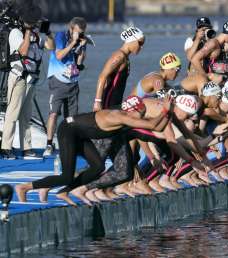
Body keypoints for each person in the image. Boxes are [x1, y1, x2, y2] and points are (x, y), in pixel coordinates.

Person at [15, 96, 170, 205]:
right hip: (68, 131)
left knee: (98, 167)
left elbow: (157, 126)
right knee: (66, 176)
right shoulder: (121, 117)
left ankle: (65, 191)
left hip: (80, 134)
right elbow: (152, 126)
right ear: (132, 110)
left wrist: (167, 113)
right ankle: (25, 187)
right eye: (140, 114)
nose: (141, 117)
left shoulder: (127, 115)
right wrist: (165, 111)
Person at [1, 4, 54, 159]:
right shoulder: (16, 33)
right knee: (12, 113)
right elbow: (23, 51)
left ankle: (27, 148)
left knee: (26, 116)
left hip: (31, 80)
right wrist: (28, 31)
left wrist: (48, 32)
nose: (36, 22)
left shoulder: (37, 35)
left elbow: (51, 47)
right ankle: (6, 148)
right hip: (18, 78)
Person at [43, 17, 89, 157]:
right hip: (57, 81)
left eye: (82, 32)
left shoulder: (82, 39)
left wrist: (81, 47)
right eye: (78, 32)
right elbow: (59, 55)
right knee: (54, 113)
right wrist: (73, 42)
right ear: (71, 28)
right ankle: (49, 144)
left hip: (73, 82)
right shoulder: (61, 36)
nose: (80, 34)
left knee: (72, 117)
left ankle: (71, 145)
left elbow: (79, 63)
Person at [93, 27, 144, 111]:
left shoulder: (125, 58)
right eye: (140, 43)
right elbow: (102, 76)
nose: (141, 47)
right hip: (108, 102)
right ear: (132, 39)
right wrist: (97, 102)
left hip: (116, 102)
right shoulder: (119, 56)